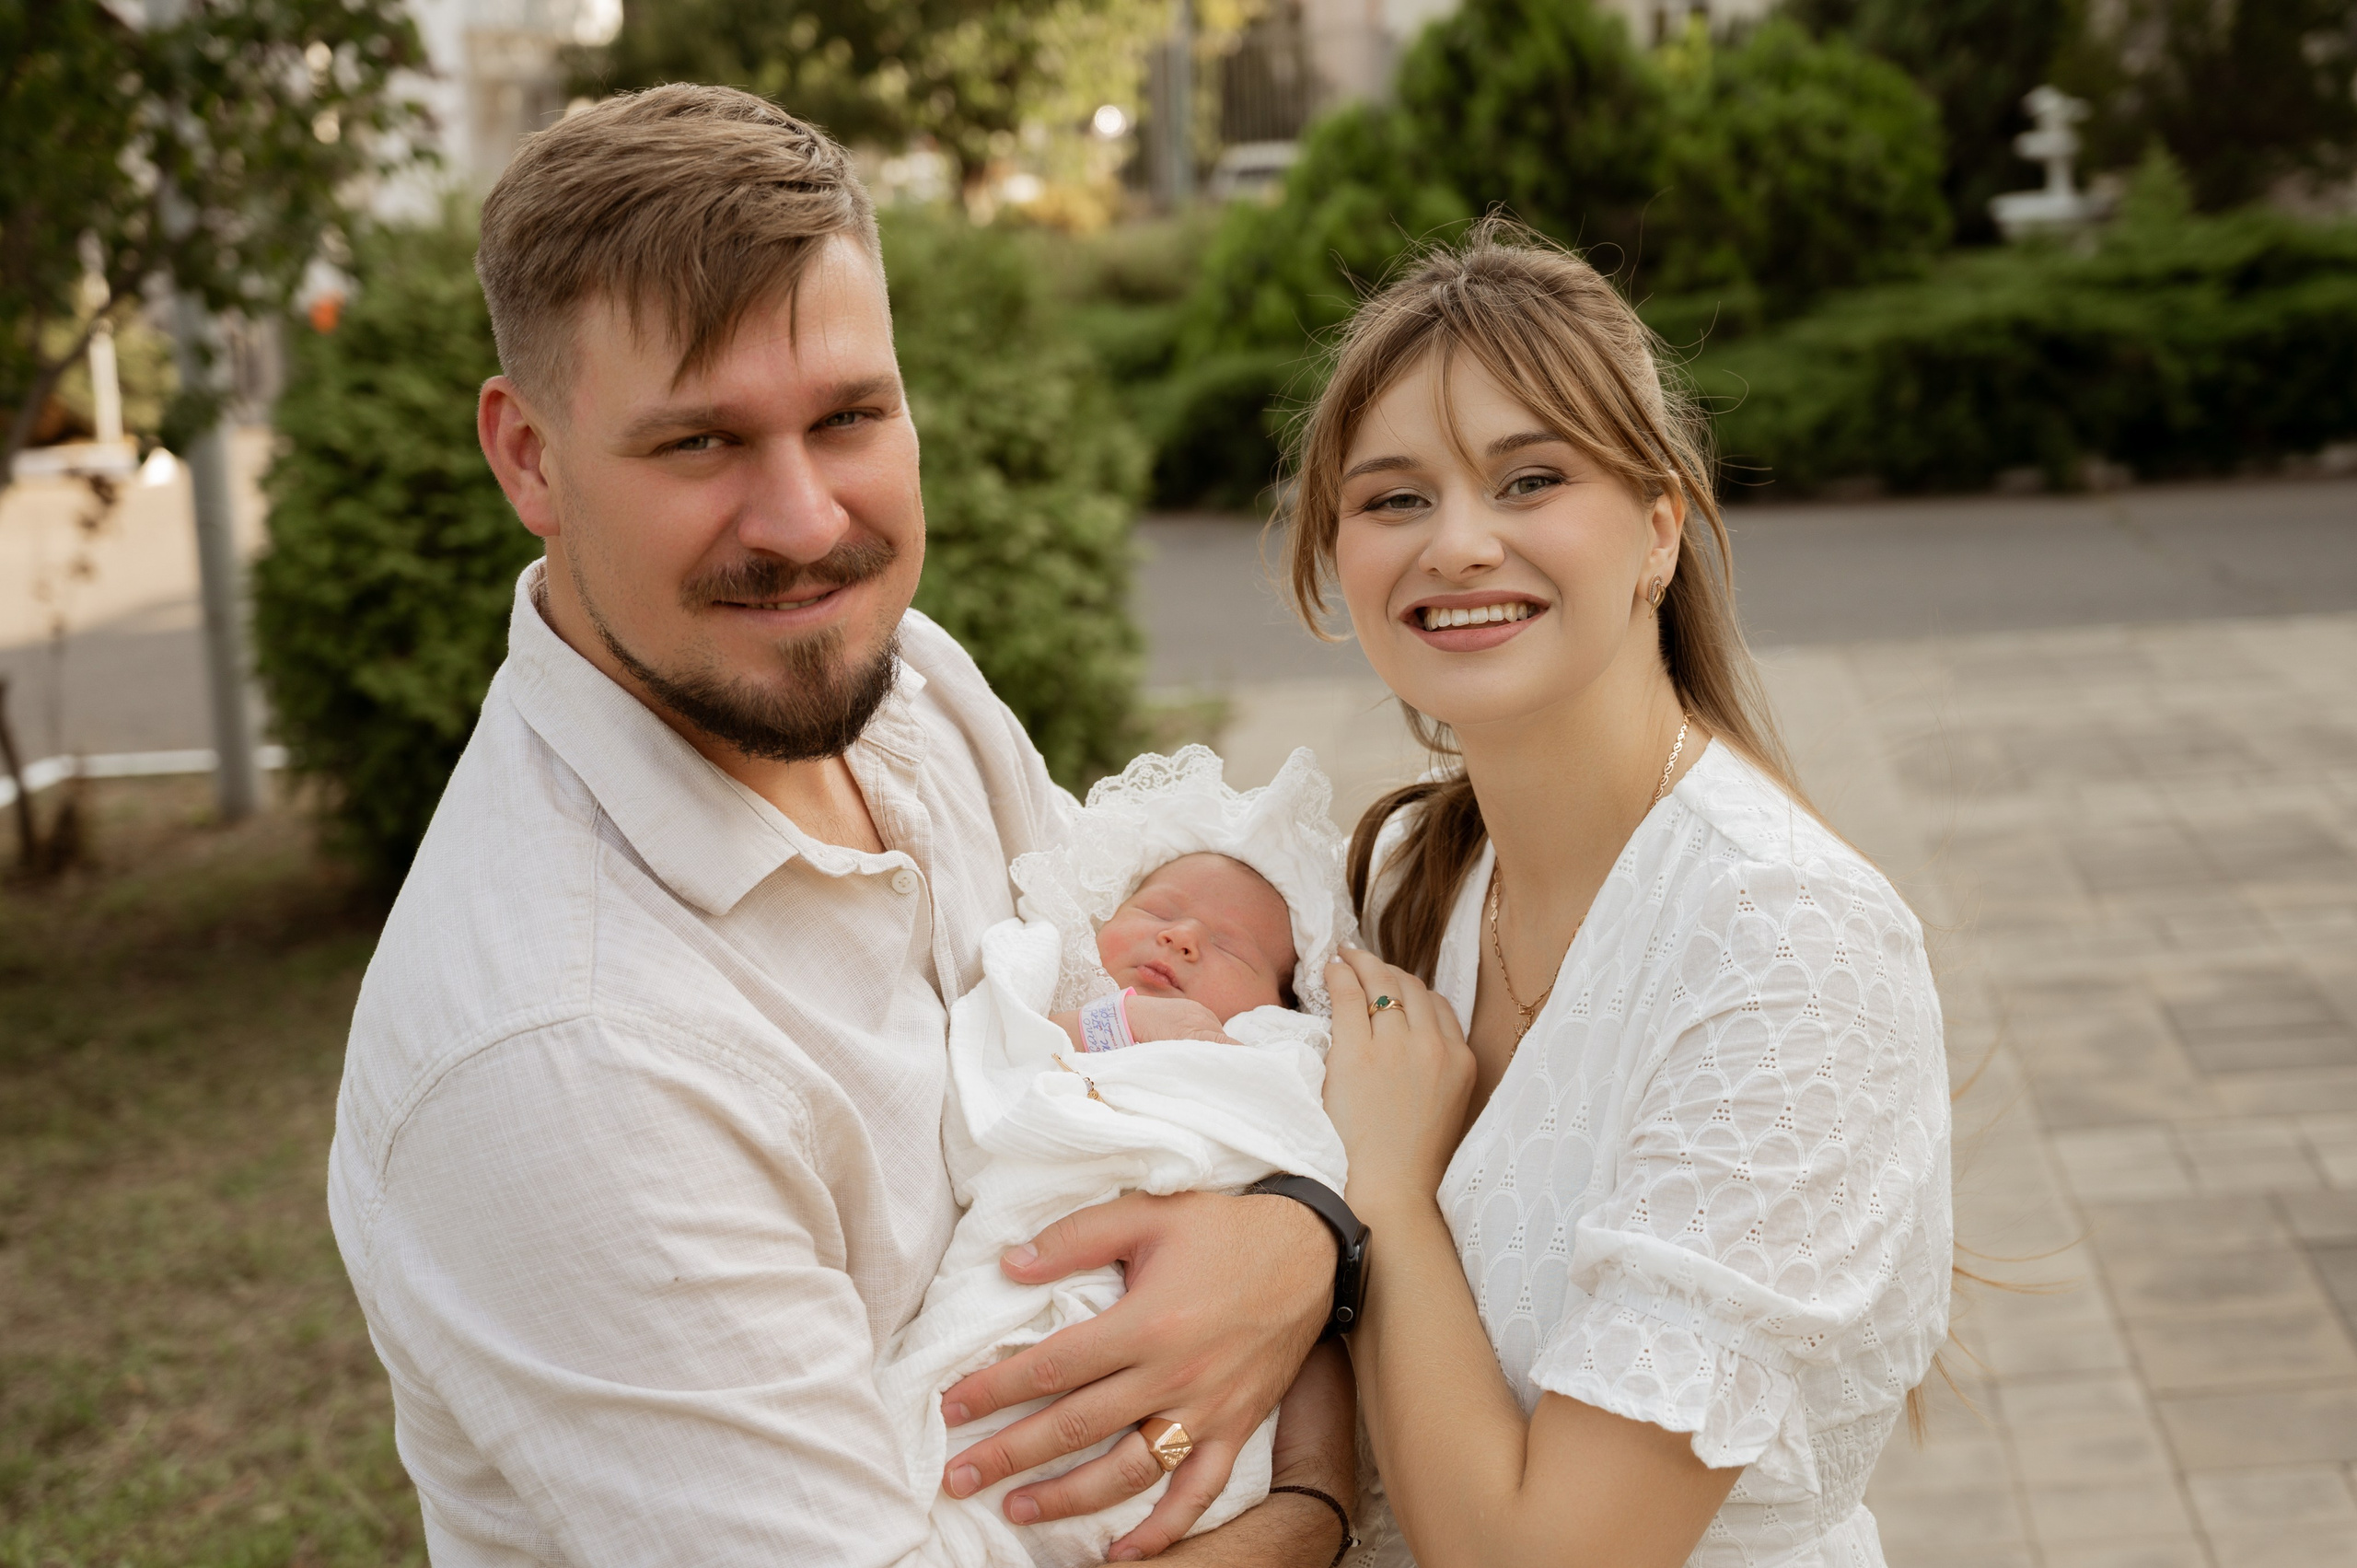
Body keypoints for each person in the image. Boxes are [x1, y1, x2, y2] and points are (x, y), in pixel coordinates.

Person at [325, 85, 1358, 1567]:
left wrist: (1303, 1233)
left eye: (850, 414)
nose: (807, 522)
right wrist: (1318, 1481)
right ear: (528, 457)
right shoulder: (567, 1056)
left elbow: (1152, 1029)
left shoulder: (903, 689)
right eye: (699, 444)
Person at [1283, 221, 1955, 1566]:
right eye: (1395, 497)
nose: (1458, 542)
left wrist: (1397, 1194)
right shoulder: (1422, 877)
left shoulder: (1783, 941)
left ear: (1659, 530)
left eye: (1529, 479)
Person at [881, 745, 1361, 1567]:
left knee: (1170, 1486)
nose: (1179, 936)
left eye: (1233, 949)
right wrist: (1106, 1029)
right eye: (1158, 908)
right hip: (1029, 1267)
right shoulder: (1050, 994)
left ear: (1282, 1002)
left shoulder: (1280, 1055)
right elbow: (988, 1090)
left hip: (1202, 1341)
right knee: (954, 1450)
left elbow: (1309, 1151)